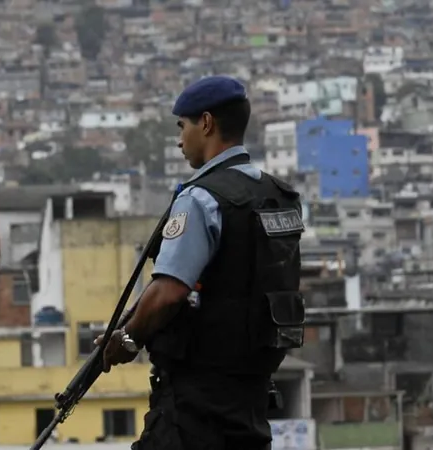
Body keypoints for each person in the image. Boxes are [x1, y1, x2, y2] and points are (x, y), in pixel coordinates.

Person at [94, 76, 306, 450]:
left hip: (194, 409)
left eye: (182, 126)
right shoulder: (277, 196)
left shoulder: (202, 199)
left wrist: (127, 340)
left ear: (206, 124)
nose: (179, 140)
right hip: (251, 403)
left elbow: (169, 291)